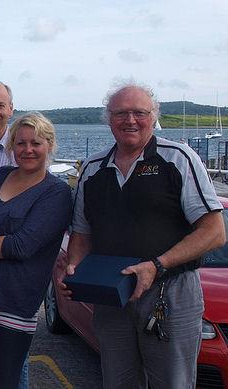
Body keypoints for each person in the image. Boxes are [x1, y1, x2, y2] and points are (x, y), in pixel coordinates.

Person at [61, 83, 226, 388]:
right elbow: (82, 234)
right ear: (108, 119)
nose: (130, 120)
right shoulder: (93, 169)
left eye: (140, 112)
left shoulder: (178, 159)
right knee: (117, 381)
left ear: (154, 117)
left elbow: (214, 231)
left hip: (170, 293)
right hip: (112, 296)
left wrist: (157, 264)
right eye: (121, 113)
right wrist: (74, 268)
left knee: (172, 383)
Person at [0, 112, 72, 389]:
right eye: (20, 144)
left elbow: (19, 246)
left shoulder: (56, 193)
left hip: (13, 305)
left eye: (36, 143)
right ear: (12, 147)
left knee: (2, 382)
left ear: (50, 146)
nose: (28, 150)